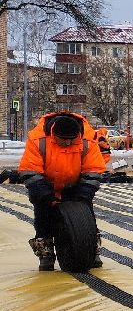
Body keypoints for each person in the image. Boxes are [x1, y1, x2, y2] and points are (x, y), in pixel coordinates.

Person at [16, 111, 106, 271]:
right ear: (53, 134)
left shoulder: (87, 140)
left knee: (86, 217)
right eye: (63, 139)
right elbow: (30, 170)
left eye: (72, 139)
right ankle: (46, 255)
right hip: (46, 185)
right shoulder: (38, 139)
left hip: (76, 186)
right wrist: (45, 195)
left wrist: (84, 194)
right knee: (43, 219)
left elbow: (94, 170)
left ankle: (92, 252)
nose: (67, 143)